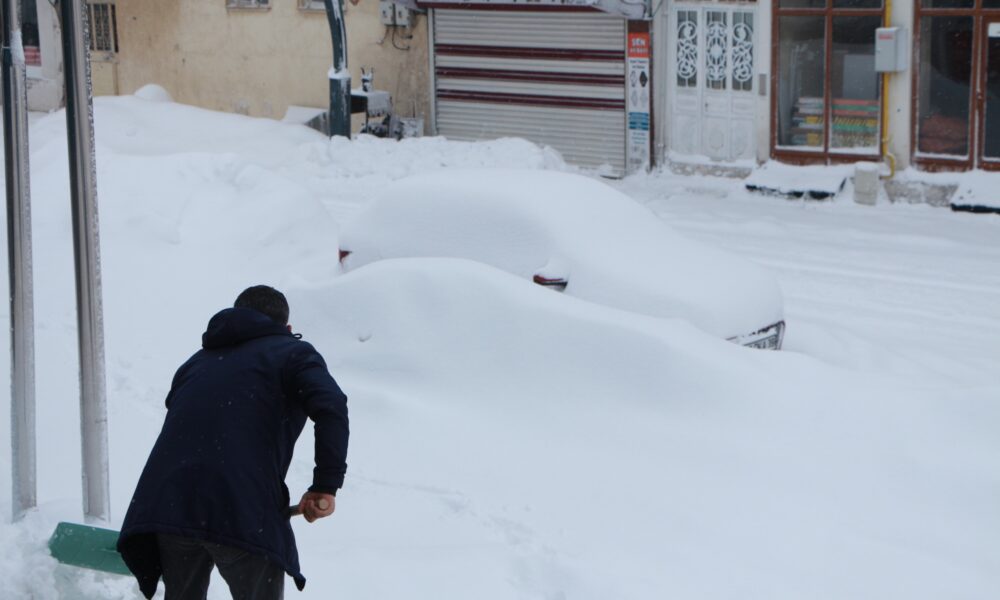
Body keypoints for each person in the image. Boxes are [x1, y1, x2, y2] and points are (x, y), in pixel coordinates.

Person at [117, 285, 349, 600]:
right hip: (241, 506)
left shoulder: (196, 362)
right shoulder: (293, 352)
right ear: (287, 328)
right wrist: (325, 485)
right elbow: (331, 406)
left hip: (170, 504)